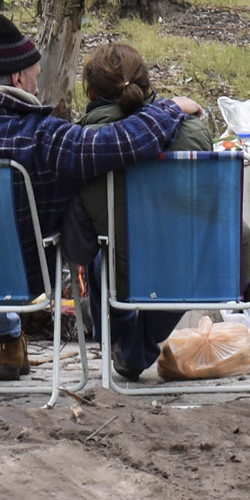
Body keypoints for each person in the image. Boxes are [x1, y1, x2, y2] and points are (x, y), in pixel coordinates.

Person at [0, 11, 201, 381]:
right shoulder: (42, 138)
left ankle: (5, 343)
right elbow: (119, 143)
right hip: (23, 280)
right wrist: (170, 108)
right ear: (17, 78)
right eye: (36, 76)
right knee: (0, 243)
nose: (37, 85)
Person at [74, 41, 216, 381]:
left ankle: (118, 341)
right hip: (192, 272)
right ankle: (136, 349)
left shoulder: (85, 145)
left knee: (100, 254)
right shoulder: (195, 133)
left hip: (122, 278)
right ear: (145, 84)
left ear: (91, 94)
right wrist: (172, 107)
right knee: (182, 250)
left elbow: (79, 238)